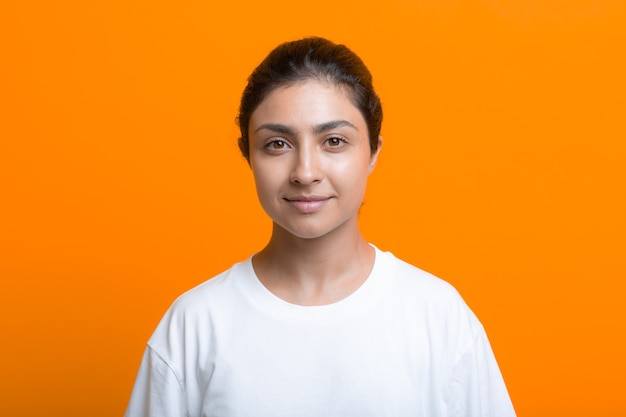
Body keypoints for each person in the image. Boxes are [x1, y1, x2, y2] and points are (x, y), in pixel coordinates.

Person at [124, 37, 516, 417]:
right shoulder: (194, 325)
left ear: (373, 151)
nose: (306, 172)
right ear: (248, 154)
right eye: (277, 144)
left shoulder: (438, 317)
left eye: (333, 140)